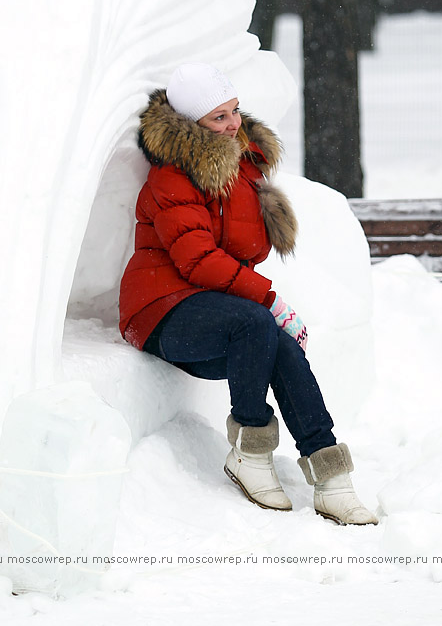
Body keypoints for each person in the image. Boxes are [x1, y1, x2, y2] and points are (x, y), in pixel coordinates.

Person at [119, 63, 378, 526]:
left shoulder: (240, 167)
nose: (233, 123)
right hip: (158, 309)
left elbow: (243, 248)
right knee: (258, 322)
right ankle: (249, 452)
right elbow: (196, 260)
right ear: (191, 123)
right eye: (218, 117)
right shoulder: (170, 179)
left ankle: (330, 473)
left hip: (213, 306)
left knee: (272, 339)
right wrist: (271, 300)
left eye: (234, 110)